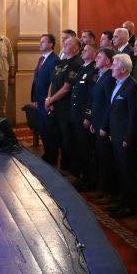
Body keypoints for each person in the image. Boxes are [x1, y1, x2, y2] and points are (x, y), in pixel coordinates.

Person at [107, 54, 137, 219]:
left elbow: (134, 116)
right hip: (116, 135)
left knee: (128, 173)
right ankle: (122, 202)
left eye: (114, 65)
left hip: (125, 139)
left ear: (123, 69)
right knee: (121, 171)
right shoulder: (118, 84)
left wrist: (128, 138)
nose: (111, 67)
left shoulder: (132, 87)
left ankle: (129, 206)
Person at [45, 37, 83, 171]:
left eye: (68, 44)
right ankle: (57, 163)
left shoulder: (76, 63)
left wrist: (51, 100)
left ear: (76, 48)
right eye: (64, 43)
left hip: (65, 107)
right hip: (55, 104)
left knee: (67, 139)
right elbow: (52, 82)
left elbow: (66, 88)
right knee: (57, 137)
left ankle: (68, 167)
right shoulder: (61, 62)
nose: (64, 45)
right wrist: (48, 99)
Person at [69, 44, 99, 190]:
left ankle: (88, 180)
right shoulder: (82, 68)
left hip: (83, 115)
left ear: (94, 54)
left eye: (86, 50)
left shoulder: (93, 71)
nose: (83, 52)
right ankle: (82, 176)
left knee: (86, 149)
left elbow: (91, 96)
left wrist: (88, 115)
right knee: (80, 147)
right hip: (76, 114)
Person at [89, 48, 115, 198]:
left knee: (105, 159)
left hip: (104, 126)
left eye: (99, 57)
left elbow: (108, 105)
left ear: (107, 61)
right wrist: (94, 121)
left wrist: (104, 125)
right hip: (97, 122)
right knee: (99, 156)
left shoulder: (109, 78)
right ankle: (102, 188)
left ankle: (107, 192)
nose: (96, 59)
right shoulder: (102, 76)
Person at [30, 34, 59, 162]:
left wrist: (49, 100)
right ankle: (47, 154)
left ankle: (52, 157)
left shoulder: (54, 60)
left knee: (49, 130)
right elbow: (36, 80)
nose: (40, 44)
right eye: (40, 41)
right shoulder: (41, 58)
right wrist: (35, 99)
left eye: (43, 42)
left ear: (51, 44)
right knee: (43, 129)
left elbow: (53, 83)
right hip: (40, 100)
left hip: (47, 101)